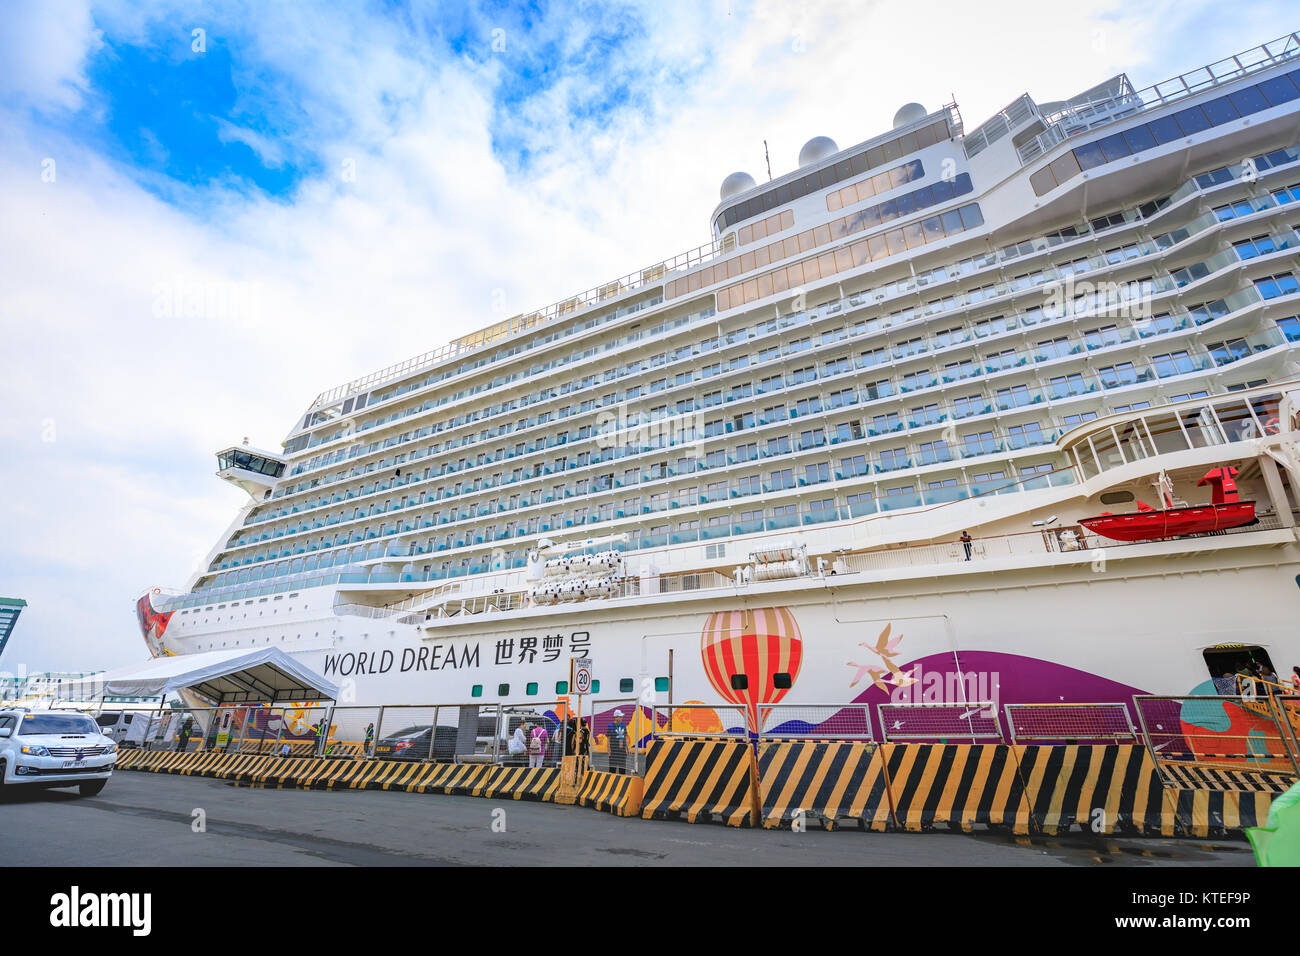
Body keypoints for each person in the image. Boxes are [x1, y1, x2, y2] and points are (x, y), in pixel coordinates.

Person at [608, 710, 629, 775]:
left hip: (622, 752)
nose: (621, 718)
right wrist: (609, 751)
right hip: (614, 752)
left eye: (621, 716)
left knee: (622, 770)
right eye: (620, 716)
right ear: (616, 717)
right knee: (612, 770)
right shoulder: (611, 726)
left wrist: (628, 748)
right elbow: (608, 740)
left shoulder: (623, 725)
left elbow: (625, 737)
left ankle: (622, 784)